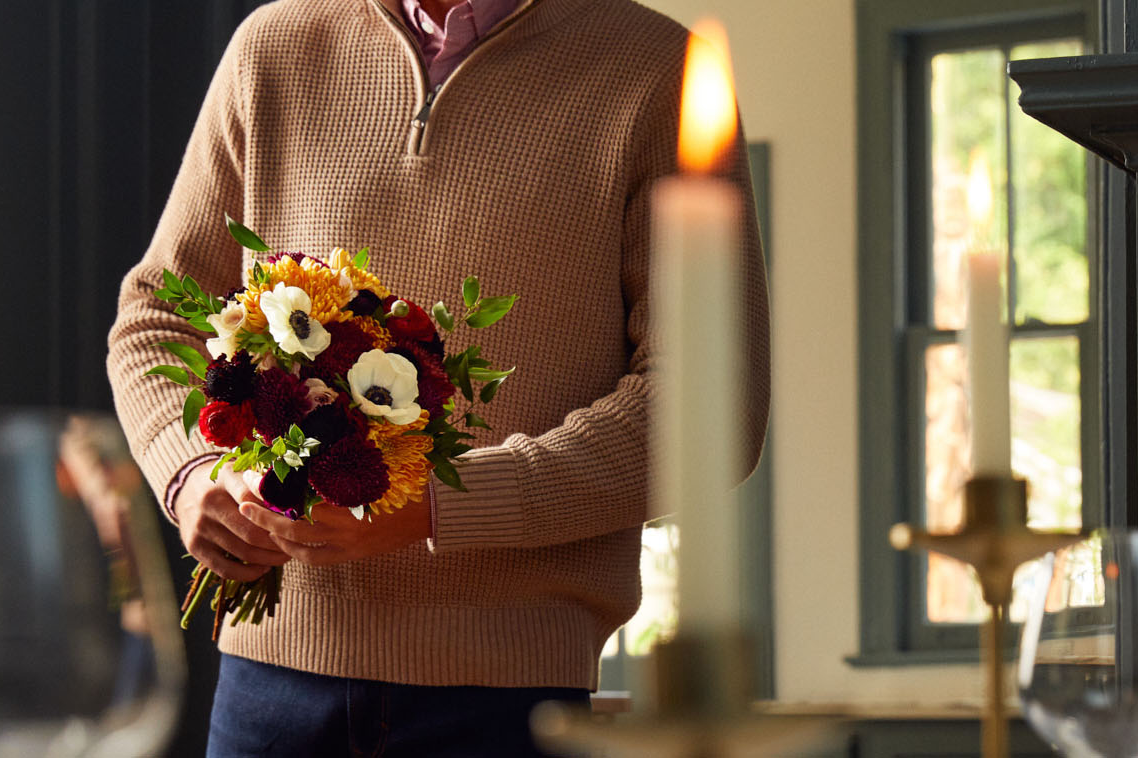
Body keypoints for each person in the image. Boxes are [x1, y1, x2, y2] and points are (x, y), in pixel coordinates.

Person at [106, 0, 770, 753]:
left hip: (508, 703)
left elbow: (711, 409)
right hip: (264, 688)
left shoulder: (656, 68)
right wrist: (190, 475)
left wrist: (439, 508)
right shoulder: (274, 46)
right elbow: (155, 320)